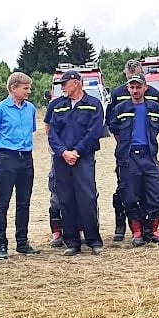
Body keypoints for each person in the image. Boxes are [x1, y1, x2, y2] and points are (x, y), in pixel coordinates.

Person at [47, 70, 106, 256]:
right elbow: (51, 132)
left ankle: (94, 240)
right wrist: (63, 152)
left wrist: (77, 152)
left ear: (77, 82)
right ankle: (72, 242)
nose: (62, 87)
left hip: (84, 158)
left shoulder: (93, 104)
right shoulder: (56, 105)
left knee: (87, 199)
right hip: (61, 159)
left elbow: (94, 132)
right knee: (65, 200)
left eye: (65, 83)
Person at [108, 75, 159, 244]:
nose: (135, 91)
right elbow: (114, 129)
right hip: (128, 158)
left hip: (149, 155)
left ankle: (153, 230)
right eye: (132, 87)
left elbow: (157, 128)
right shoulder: (120, 109)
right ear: (128, 89)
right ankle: (137, 232)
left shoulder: (155, 108)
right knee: (130, 195)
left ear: (145, 88)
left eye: (138, 87)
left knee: (156, 193)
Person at [0, 72, 39, 260]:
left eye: (29, 88)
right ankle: (1, 243)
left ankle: (22, 242)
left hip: (26, 158)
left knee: (24, 202)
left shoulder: (31, 109)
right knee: (3, 202)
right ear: (13, 88)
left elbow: (31, 131)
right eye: (25, 88)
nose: (29, 91)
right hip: (7, 158)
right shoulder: (0, 110)